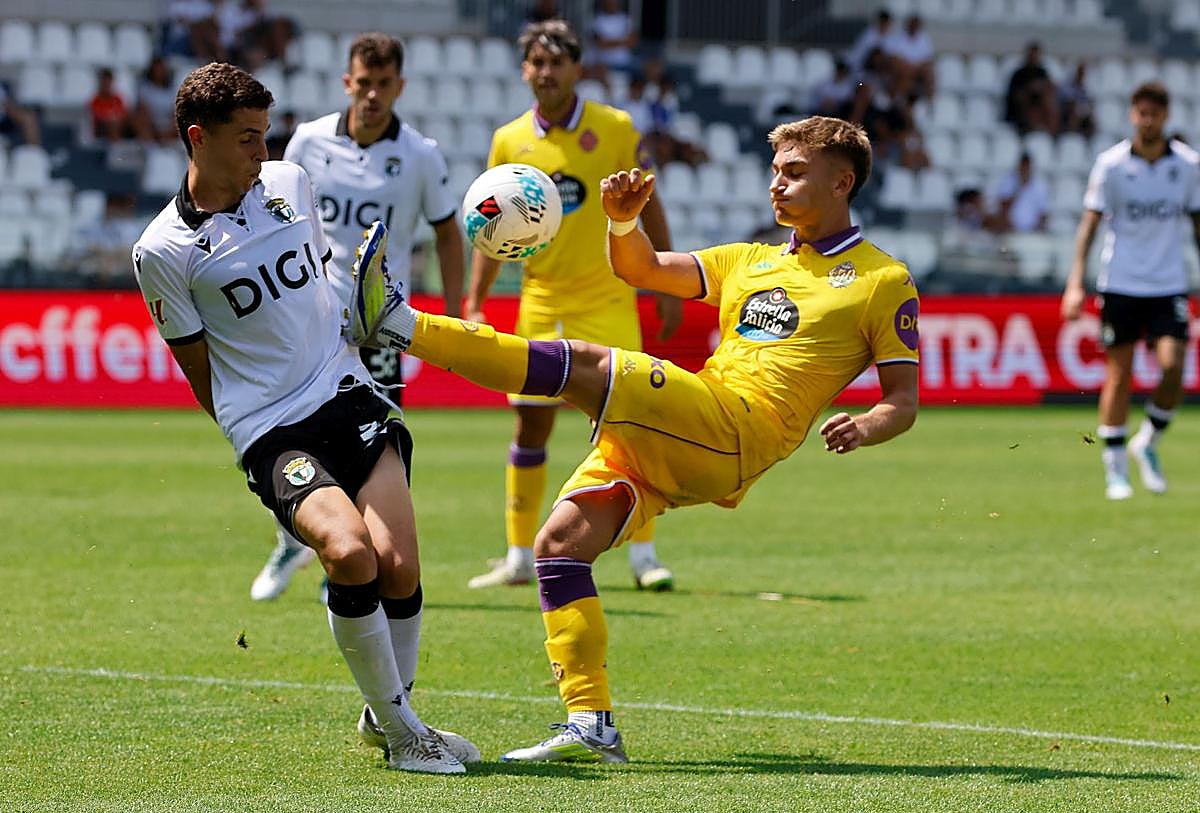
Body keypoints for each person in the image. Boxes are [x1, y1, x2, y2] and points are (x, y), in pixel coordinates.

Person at [349, 114, 920, 761]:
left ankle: (398, 321)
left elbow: (903, 401)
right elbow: (641, 267)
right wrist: (622, 219)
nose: (776, 186)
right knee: (559, 546)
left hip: (737, 426)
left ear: (843, 181)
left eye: (793, 173)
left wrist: (866, 424)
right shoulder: (751, 261)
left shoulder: (882, 280)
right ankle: (592, 723)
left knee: (585, 364)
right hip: (687, 434)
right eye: (774, 171)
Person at [131, 61, 477, 773]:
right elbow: (197, 366)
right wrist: (247, 437)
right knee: (349, 554)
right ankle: (406, 732)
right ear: (198, 139)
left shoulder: (289, 184)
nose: (265, 153)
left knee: (401, 567)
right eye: (248, 139)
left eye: (266, 134)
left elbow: (324, 281)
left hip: (347, 391)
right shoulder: (161, 250)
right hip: (271, 428)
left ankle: (390, 716)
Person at [239, 34, 466, 603]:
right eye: (363, 82)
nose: (371, 95)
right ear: (347, 82)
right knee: (300, 434)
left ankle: (359, 558)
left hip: (382, 323)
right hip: (311, 320)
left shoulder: (419, 154)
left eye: (383, 84)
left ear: (399, 87)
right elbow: (273, 213)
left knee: (379, 443)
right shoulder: (309, 142)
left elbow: (446, 231)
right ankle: (294, 540)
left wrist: (457, 312)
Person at [464, 19, 681, 592]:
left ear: (577, 68)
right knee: (531, 422)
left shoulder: (614, 127)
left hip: (608, 296)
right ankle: (515, 554)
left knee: (629, 426)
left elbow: (647, 202)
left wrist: (662, 275)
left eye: (556, 62)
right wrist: (476, 301)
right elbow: (491, 227)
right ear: (523, 70)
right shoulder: (510, 140)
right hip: (541, 298)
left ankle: (643, 557)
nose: (545, 72)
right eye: (535, 62)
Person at [1061, 81, 1199, 500]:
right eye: (1142, 112)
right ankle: (1115, 469)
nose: (1148, 119)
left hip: (1168, 283)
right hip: (1120, 283)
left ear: (1165, 115)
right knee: (1119, 376)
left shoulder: (1189, 166)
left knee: (1174, 367)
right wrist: (1075, 283)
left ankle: (1148, 442)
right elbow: (1089, 227)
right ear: (1132, 115)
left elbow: (1197, 226)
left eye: (1155, 113)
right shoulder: (1111, 165)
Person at [1004, 41, 1059, 135]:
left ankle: (1051, 130)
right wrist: (1030, 89)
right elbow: (1014, 95)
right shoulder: (1019, 74)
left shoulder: (1042, 72)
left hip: (1039, 104)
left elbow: (1050, 87)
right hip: (1022, 109)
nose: (1034, 57)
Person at [990, 152, 1050, 232]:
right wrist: (1018, 189)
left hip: (1032, 232)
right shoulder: (1008, 182)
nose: (1025, 170)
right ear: (1019, 166)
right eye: (1023, 167)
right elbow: (1003, 208)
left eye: (1027, 167)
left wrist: (1037, 229)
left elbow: (1043, 212)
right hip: (1010, 229)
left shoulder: (1040, 186)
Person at [132, 57, 178, 145]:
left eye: (161, 69)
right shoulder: (145, 88)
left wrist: (167, 127)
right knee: (140, 117)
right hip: (151, 123)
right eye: (156, 69)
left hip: (168, 124)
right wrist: (154, 127)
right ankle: (150, 146)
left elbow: (174, 110)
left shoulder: (172, 89)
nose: (159, 72)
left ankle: (166, 144)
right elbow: (143, 109)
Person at [90, 68, 131, 142]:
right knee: (112, 124)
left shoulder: (118, 99)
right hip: (103, 130)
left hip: (119, 126)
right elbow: (99, 119)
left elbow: (125, 114)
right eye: (104, 82)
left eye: (108, 82)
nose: (106, 85)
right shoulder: (95, 101)